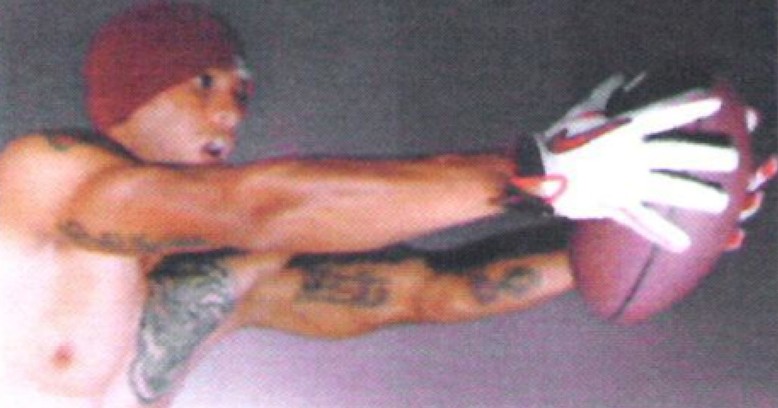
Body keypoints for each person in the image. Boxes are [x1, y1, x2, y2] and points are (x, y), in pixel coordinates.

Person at [0, 3, 772, 407]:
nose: (230, 113)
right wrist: (542, 174)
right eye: (203, 82)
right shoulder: (43, 177)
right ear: (131, 95)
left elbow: (428, 290)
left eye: (241, 93)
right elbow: (253, 207)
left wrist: (638, 224)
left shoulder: (214, 286)